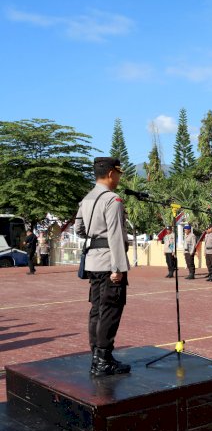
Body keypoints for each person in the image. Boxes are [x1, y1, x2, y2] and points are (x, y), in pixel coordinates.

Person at [74, 157, 130, 376]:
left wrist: (94, 235)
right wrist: (119, 267)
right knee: (110, 310)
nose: (118, 178)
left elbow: (79, 229)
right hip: (109, 262)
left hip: (93, 261)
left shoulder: (87, 199)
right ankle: (103, 360)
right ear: (110, 174)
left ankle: (97, 356)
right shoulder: (112, 199)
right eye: (118, 173)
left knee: (97, 309)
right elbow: (115, 235)